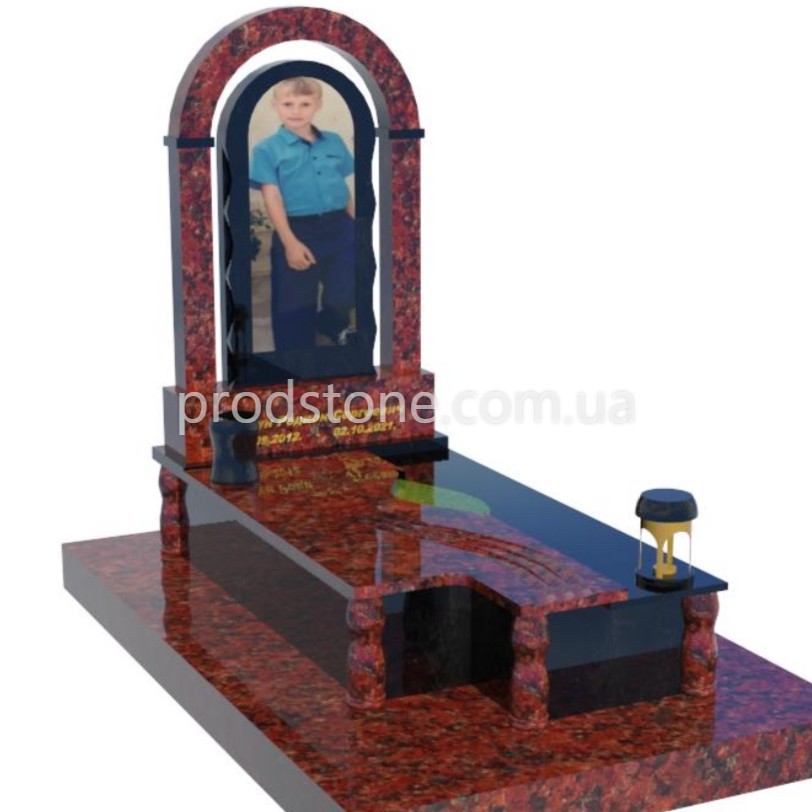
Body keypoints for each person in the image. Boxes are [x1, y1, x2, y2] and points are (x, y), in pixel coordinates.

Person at [249, 77, 356, 351]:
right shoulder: (267, 150)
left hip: (340, 226)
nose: (296, 111)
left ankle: (330, 326)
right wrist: (290, 243)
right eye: (288, 104)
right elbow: (272, 197)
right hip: (296, 229)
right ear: (275, 105)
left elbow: (341, 186)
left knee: (347, 288)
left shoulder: (333, 142)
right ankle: (296, 361)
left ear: (318, 105)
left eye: (305, 104)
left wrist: (357, 227)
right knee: (294, 303)